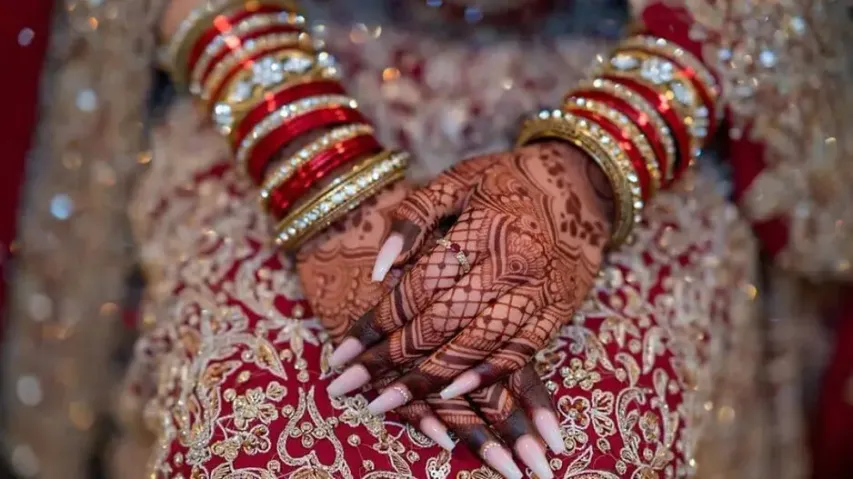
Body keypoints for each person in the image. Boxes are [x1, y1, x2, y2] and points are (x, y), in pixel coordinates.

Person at [1, 0, 851, 478]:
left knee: (591, 442)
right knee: (256, 420)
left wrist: (597, 162)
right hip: (277, 40)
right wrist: (309, 157)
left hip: (639, 44)